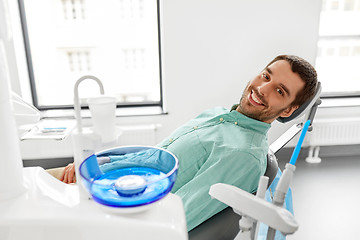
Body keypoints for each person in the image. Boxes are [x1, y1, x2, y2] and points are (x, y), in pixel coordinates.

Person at [59, 55, 318, 231]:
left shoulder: (242, 155)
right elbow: (152, 159)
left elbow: (178, 218)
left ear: (287, 111)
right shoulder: (218, 115)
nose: (263, 88)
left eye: (280, 91)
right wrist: (96, 165)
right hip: (109, 182)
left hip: (119, 215)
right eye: (265, 76)